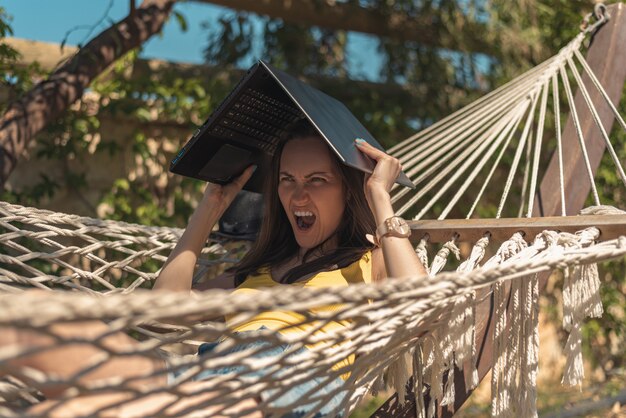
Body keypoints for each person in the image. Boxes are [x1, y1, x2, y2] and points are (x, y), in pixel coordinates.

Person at [1, 120, 427, 417]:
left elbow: (420, 307)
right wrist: (209, 209)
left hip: (287, 380)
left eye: (317, 180)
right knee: (31, 320)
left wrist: (379, 196)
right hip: (205, 371)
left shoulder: (369, 263)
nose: (298, 195)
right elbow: (166, 314)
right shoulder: (257, 271)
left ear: (346, 190)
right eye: (287, 179)